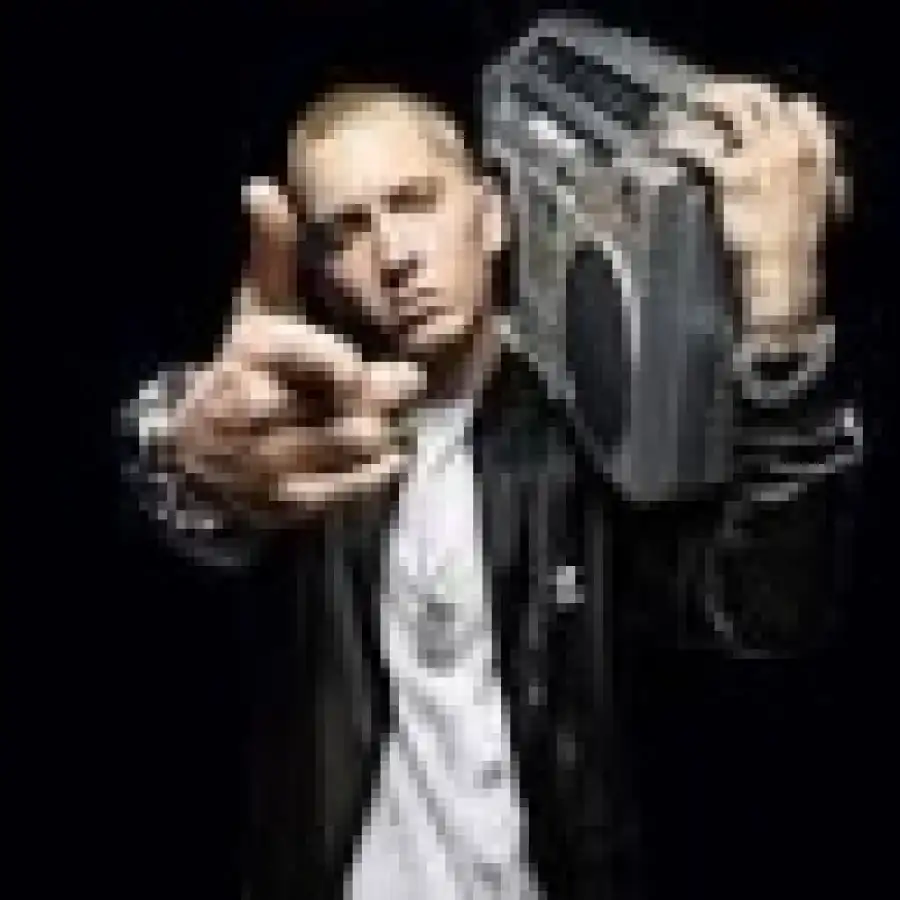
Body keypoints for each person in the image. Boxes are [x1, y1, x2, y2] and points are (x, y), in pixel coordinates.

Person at [119, 70, 862, 900]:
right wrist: (179, 450)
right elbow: (202, 503)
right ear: (323, 278)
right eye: (347, 231)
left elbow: (768, 609)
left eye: (415, 202)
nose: (394, 256)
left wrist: (780, 322)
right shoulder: (312, 442)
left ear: (494, 215)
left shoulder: (586, 433)